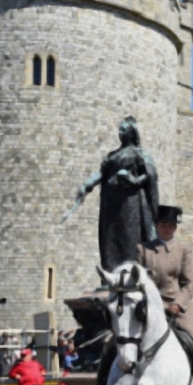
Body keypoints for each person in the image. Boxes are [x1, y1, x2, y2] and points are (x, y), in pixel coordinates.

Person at [82, 205, 193, 385]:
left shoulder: (183, 250)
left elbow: (189, 283)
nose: (167, 229)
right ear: (157, 226)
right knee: (112, 343)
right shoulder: (143, 250)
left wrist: (177, 304)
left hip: (178, 306)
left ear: (175, 228)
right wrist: (150, 303)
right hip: (148, 306)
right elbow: (136, 281)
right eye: (163, 225)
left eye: (171, 226)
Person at [74, 116, 159, 271]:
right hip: (110, 202)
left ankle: (131, 273)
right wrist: (87, 185)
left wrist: (133, 180)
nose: (120, 133)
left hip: (129, 203)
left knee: (129, 237)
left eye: (123, 130)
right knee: (109, 238)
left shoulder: (138, 153)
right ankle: (111, 274)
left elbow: (151, 175)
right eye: (119, 130)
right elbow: (102, 173)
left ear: (132, 133)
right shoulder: (112, 155)